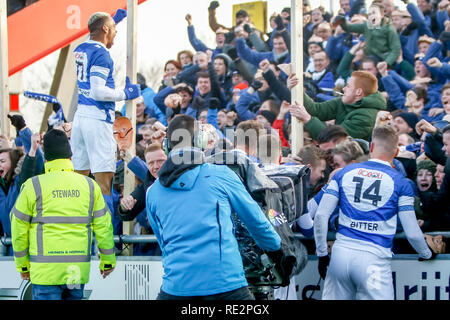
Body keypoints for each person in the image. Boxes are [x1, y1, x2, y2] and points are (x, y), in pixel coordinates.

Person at [146, 114, 291, 300]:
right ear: (200, 141)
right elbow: (256, 222)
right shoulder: (221, 175)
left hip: (176, 287)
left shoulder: (152, 192)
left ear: (166, 145)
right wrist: (277, 252)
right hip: (226, 285)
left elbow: (163, 239)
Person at [313, 125, 435, 300]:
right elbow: (413, 233)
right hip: (374, 260)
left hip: (340, 255)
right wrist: (426, 253)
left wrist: (322, 254)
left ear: (371, 147)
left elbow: (321, 216)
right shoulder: (401, 183)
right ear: (395, 153)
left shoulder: (343, 173)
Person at [10, 129, 116, 300]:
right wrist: (108, 260)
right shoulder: (89, 186)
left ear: (46, 158)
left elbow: (18, 227)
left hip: (45, 274)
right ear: (70, 157)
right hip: (76, 272)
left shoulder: (33, 186)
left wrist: (23, 266)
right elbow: (104, 226)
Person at [71, 11, 141, 215]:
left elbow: (94, 32)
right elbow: (98, 91)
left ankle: (80, 229)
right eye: (114, 31)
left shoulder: (81, 47)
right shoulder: (102, 54)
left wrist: (112, 21)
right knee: (104, 183)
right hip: (98, 118)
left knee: (80, 180)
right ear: (105, 29)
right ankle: (105, 240)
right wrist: (125, 93)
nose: (116, 35)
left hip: (80, 117)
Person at [289, 70, 386, 141]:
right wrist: (296, 88)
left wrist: (307, 119)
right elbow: (316, 110)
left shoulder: (366, 117)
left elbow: (335, 140)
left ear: (358, 92)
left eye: (348, 86)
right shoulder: (345, 101)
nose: (343, 89)